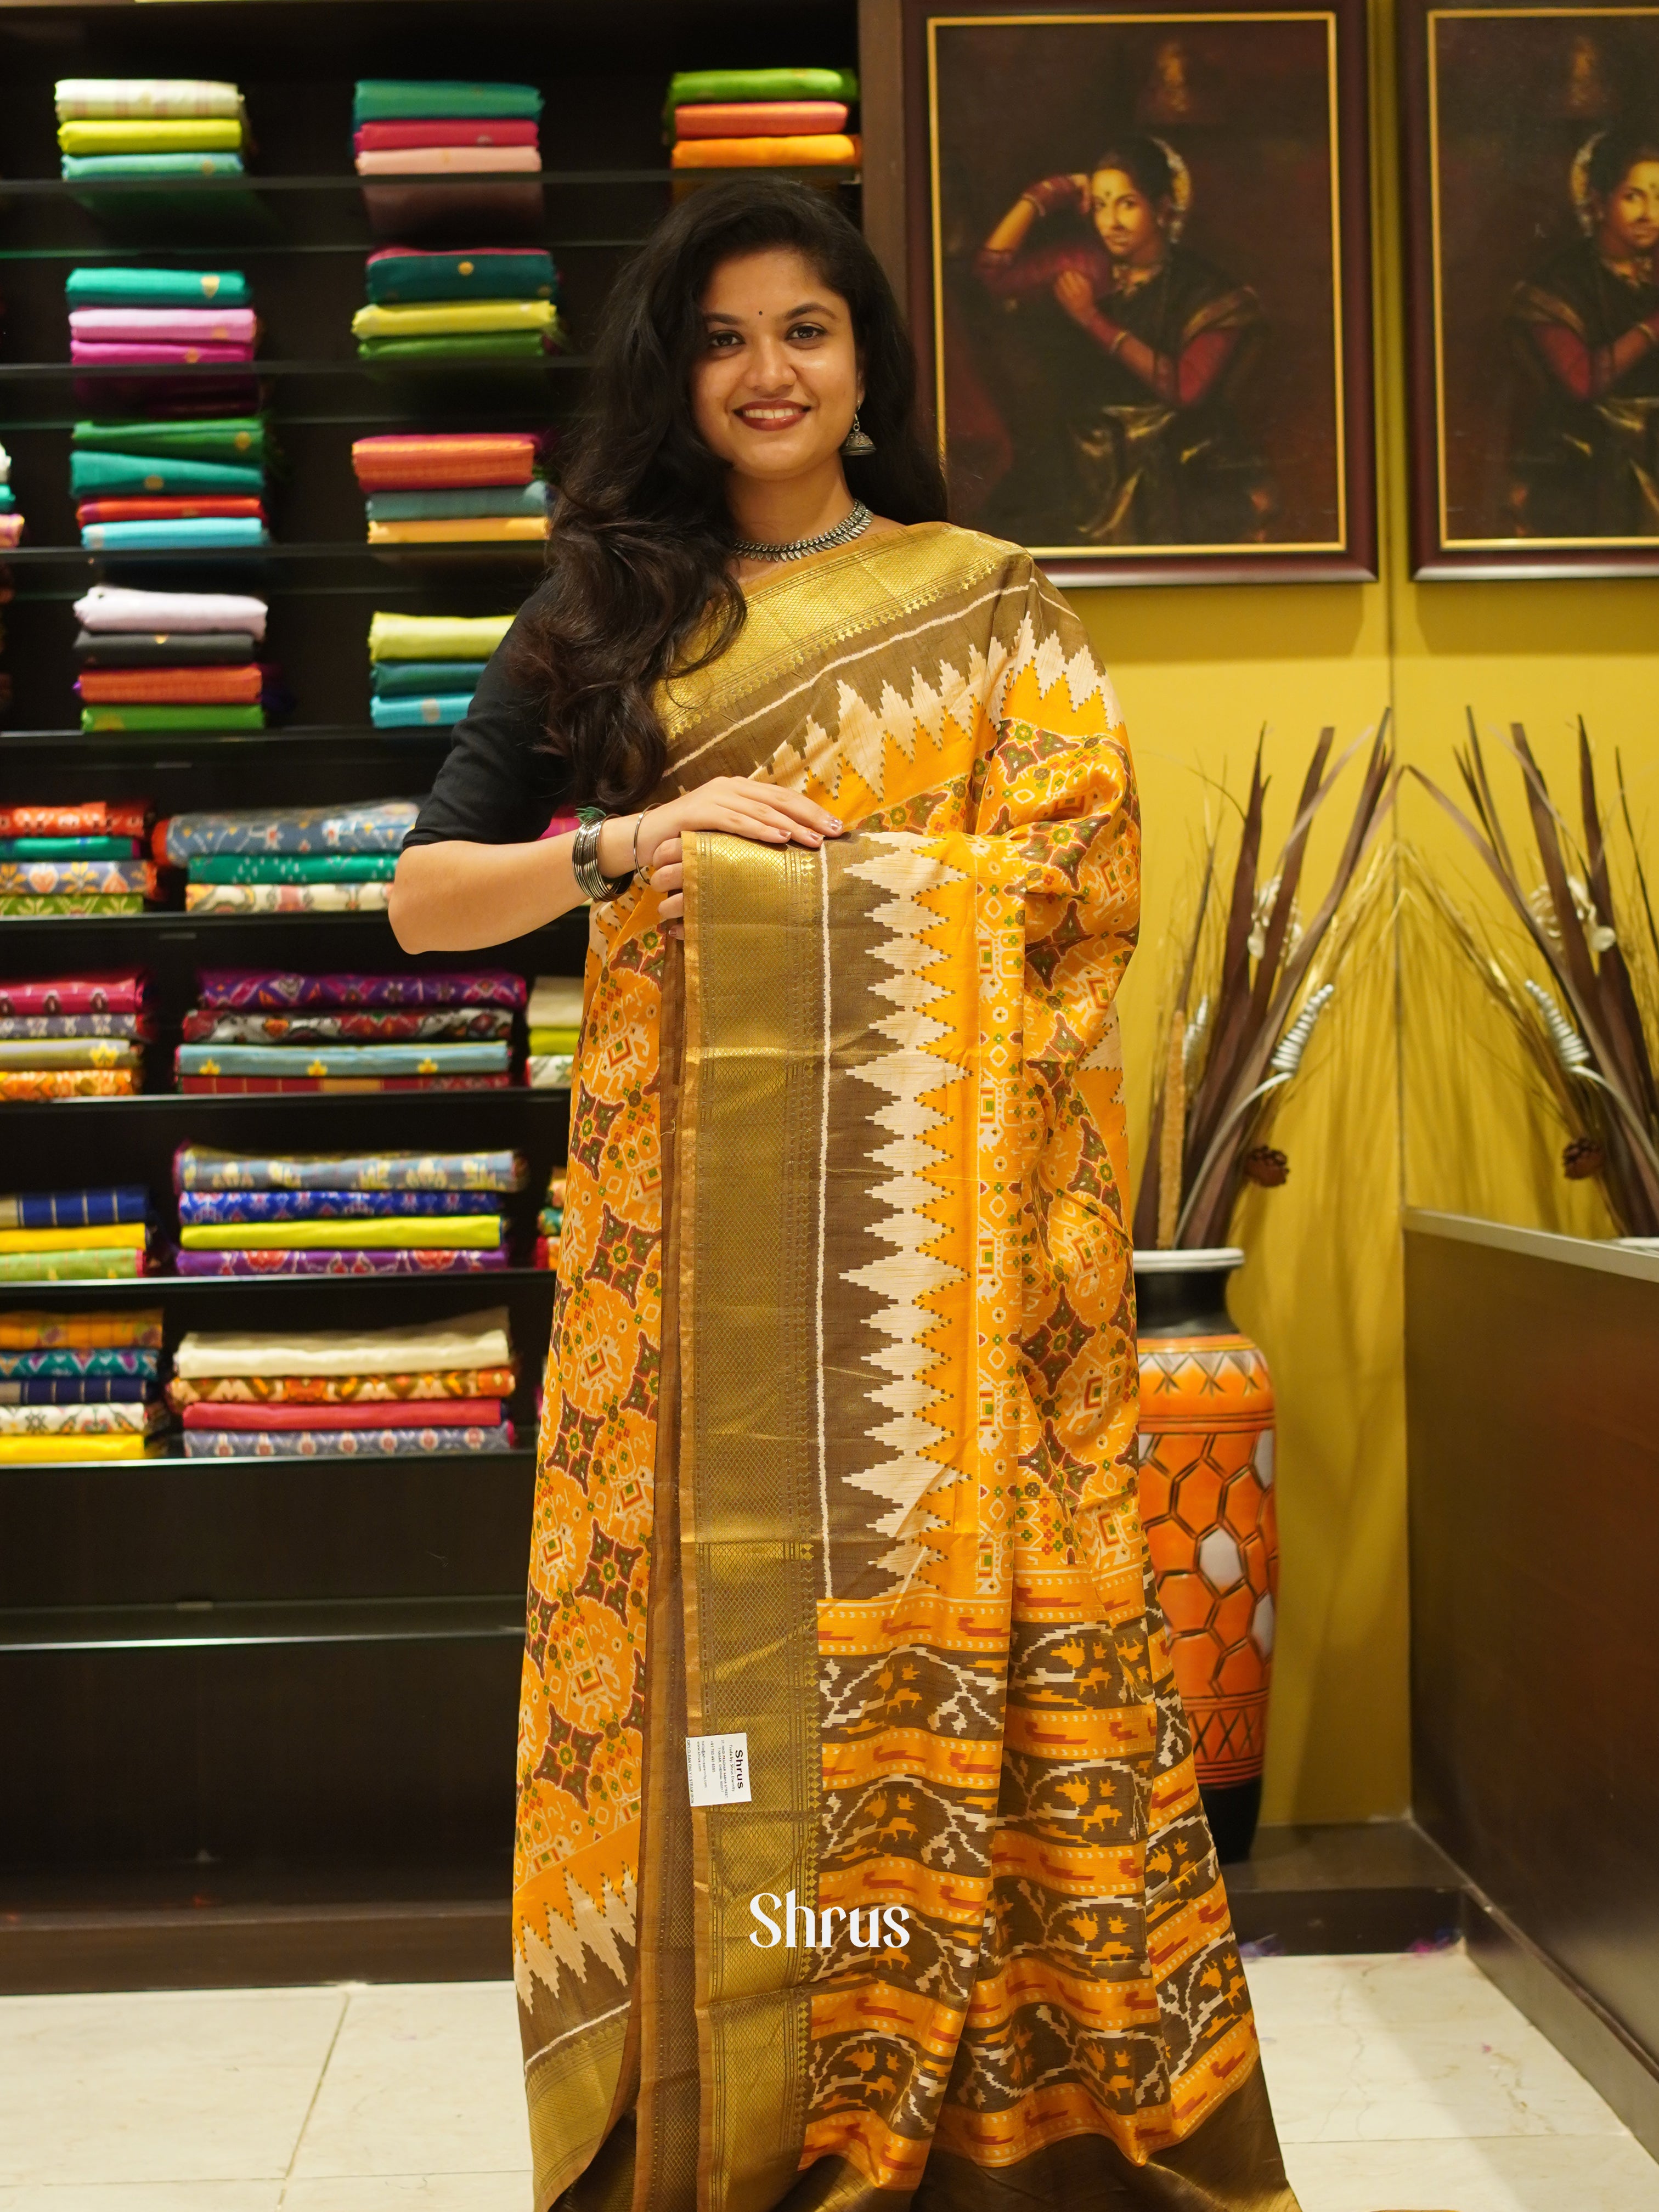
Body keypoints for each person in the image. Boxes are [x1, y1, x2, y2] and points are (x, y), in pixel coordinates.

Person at [391, 177, 1300, 2212]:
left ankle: (999, 2121)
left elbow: (1073, 906)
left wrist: (825, 905)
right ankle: (729, 2102)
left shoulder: (984, 600)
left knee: (966, 1650)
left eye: (803, 328)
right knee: (706, 1695)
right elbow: (422, 901)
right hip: (689, 1306)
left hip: (945, 1307)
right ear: (675, 374)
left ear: (864, 361)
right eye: (720, 337)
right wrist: (644, 837)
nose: (765, 370)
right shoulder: (601, 611)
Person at [974, 136, 1270, 546]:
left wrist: (1093, 320)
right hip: (1083, 453)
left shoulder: (1209, 292)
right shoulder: (1087, 264)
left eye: (1126, 204)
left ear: (1163, 209)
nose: (1110, 222)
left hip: (1172, 455)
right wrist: (1044, 195)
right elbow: (993, 273)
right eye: (1099, 205)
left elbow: (1185, 388)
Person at [1509, 122, 1659, 536]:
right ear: (1598, 202)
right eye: (1634, 198)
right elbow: (1583, 382)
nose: (1651, 214)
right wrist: (1652, 327)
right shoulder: (1557, 285)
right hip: (1591, 461)